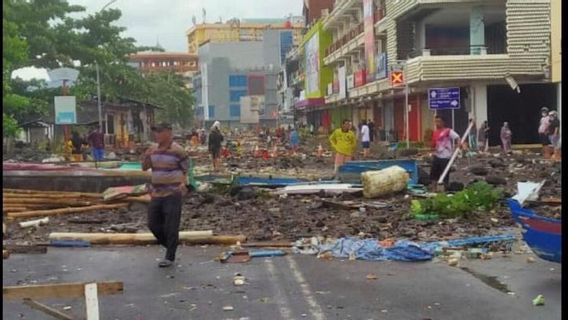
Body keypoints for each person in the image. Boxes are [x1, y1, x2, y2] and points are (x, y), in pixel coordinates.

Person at [142, 122, 189, 268]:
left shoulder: (178, 151)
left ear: (169, 133)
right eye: (156, 132)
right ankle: (170, 244)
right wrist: (146, 155)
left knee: (171, 224)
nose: (157, 135)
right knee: (153, 224)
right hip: (157, 193)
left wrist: (183, 184)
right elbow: (144, 167)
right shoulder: (153, 150)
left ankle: (170, 256)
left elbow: (187, 169)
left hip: (173, 193)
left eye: (160, 132)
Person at [430, 116, 461, 189]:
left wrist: (458, 143)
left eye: (439, 121)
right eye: (436, 122)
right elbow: (433, 145)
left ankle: (445, 188)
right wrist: (432, 151)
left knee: (445, 174)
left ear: (443, 122)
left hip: (446, 156)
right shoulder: (435, 133)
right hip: (437, 156)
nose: (437, 123)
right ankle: (434, 188)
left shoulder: (448, 131)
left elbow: (457, 137)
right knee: (434, 173)